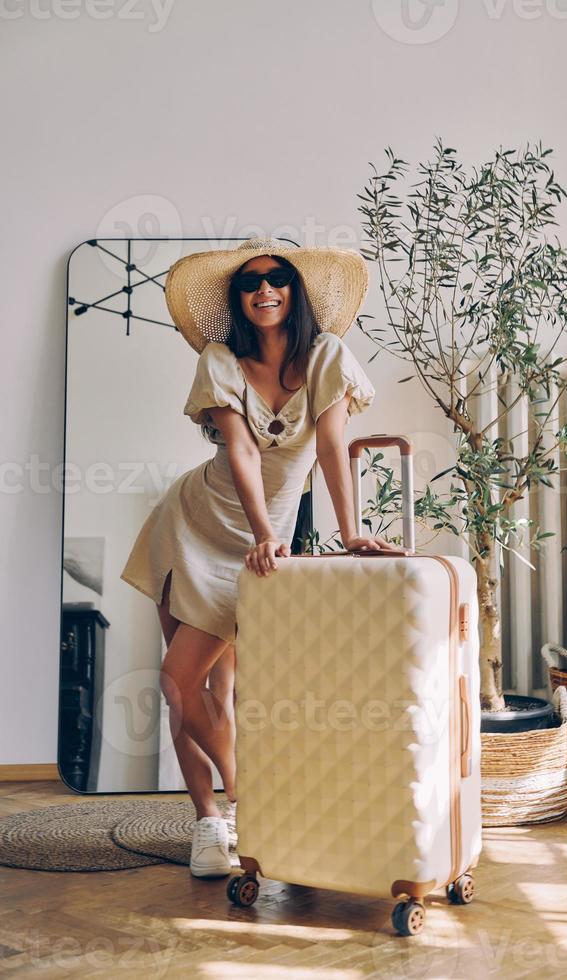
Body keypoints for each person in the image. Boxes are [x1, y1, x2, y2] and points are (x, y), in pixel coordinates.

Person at [119, 237, 408, 878]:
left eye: (277, 278)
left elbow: (332, 444)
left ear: (295, 291)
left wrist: (351, 530)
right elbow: (243, 452)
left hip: (261, 542)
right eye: (250, 283)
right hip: (194, 525)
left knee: (228, 686)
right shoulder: (221, 360)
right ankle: (216, 816)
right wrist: (262, 534)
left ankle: (247, 804)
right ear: (238, 300)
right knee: (180, 682)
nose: (264, 290)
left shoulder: (327, 355)